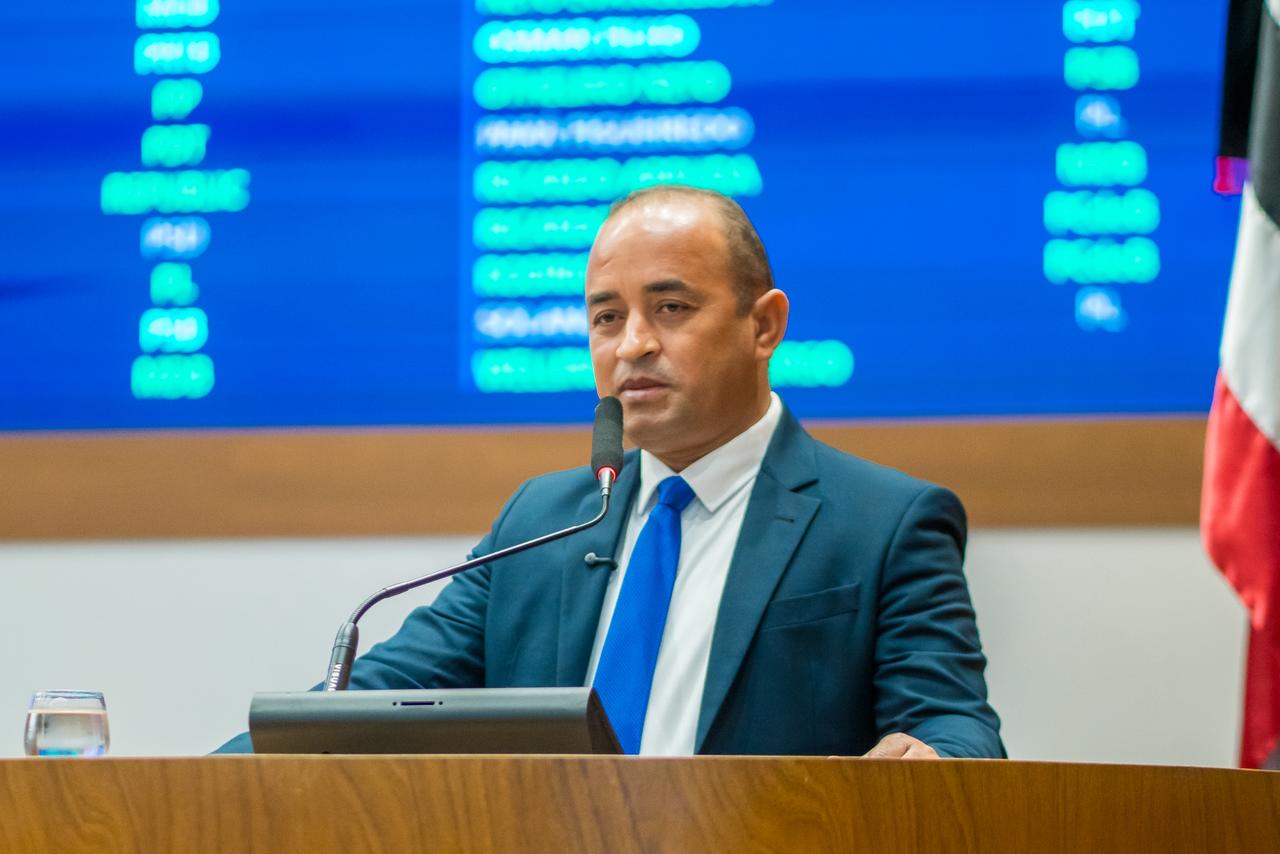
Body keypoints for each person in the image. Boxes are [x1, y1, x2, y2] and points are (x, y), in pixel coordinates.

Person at [218, 185, 1003, 757]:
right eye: (606, 317)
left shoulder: (883, 523)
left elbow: (955, 725)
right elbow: (376, 702)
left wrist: (932, 756)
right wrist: (204, 779)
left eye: (671, 309)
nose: (632, 345)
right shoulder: (543, 521)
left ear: (764, 326)